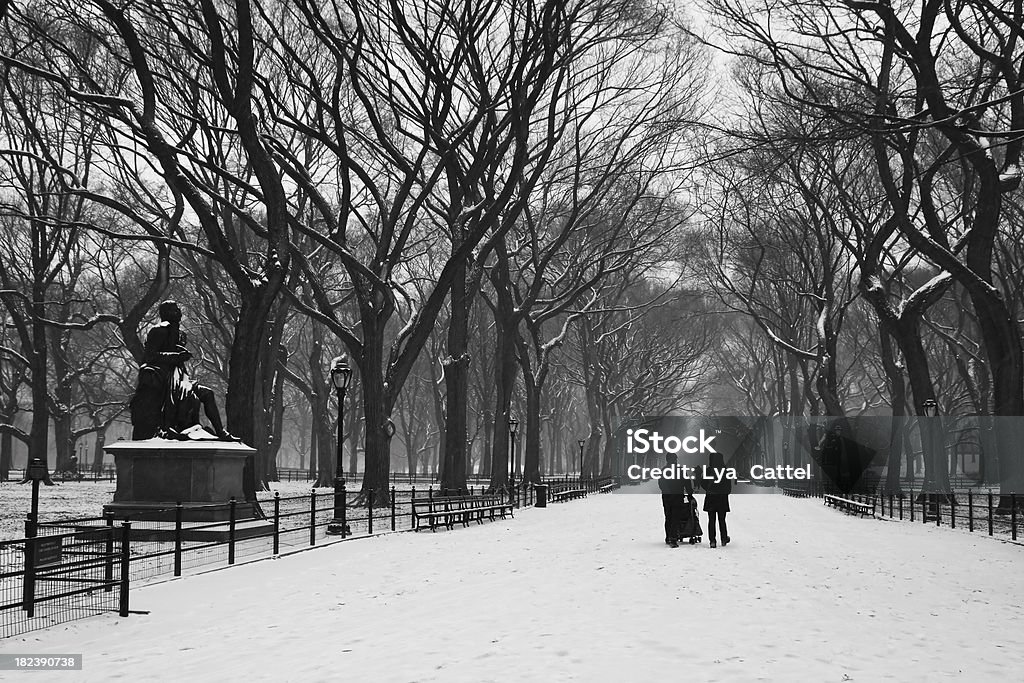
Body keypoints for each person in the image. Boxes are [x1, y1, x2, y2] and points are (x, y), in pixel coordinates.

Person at [130, 301, 235, 441]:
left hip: (180, 377)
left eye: (178, 310)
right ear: (166, 313)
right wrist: (177, 356)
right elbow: (150, 356)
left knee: (208, 393)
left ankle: (221, 432)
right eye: (174, 310)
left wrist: (180, 354)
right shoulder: (158, 331)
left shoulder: (180, 334)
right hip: (164, 377)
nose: (179, 313)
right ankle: (171, 426)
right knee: (189, 398)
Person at [659, 453, 693, 547]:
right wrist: (690, 494)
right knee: (675, 517)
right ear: (675, 459)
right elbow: (687, 482)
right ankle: (673, 538)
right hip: (677, 496)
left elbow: (661, 484)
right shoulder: (681, 470)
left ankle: (668, 536)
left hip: (667, 497)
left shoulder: (664, 470)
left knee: (668, 517)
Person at [700, 451, 732, 548]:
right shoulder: (725, 471)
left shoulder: (708, 471)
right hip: (722, 499)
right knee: (722, 520)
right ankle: (723, 538)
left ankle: (712, 541)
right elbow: (728, 488)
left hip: (711, 498)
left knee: (711, 520)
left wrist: (709, 489)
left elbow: (702, 483)